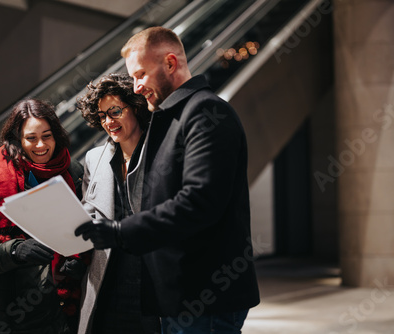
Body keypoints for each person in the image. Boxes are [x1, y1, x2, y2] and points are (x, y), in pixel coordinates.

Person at [75, 26, 260, 333]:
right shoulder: (172, 117)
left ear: (171, 63)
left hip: (206, 297)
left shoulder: (205, 111)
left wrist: (121, 231)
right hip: (180, 297)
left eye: (140, 75)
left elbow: (199, 202)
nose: (135, 87)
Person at [0, 98, 87, 334]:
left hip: (70, 306)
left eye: (47, 136)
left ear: (56, 135)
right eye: (31, 138)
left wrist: (81, 259)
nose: (40, 145)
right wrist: (15, 250)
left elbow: (88, 230)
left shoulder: (73, 171)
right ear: (18, 139)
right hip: (18, 314)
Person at [76, 73, 160, 334]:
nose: (108, 122)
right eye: (102, 116)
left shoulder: (161, 150)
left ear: (135, 107)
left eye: (114, 112)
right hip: (107, 281)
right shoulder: (94, 158)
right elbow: (88, 212)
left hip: (152, 281)